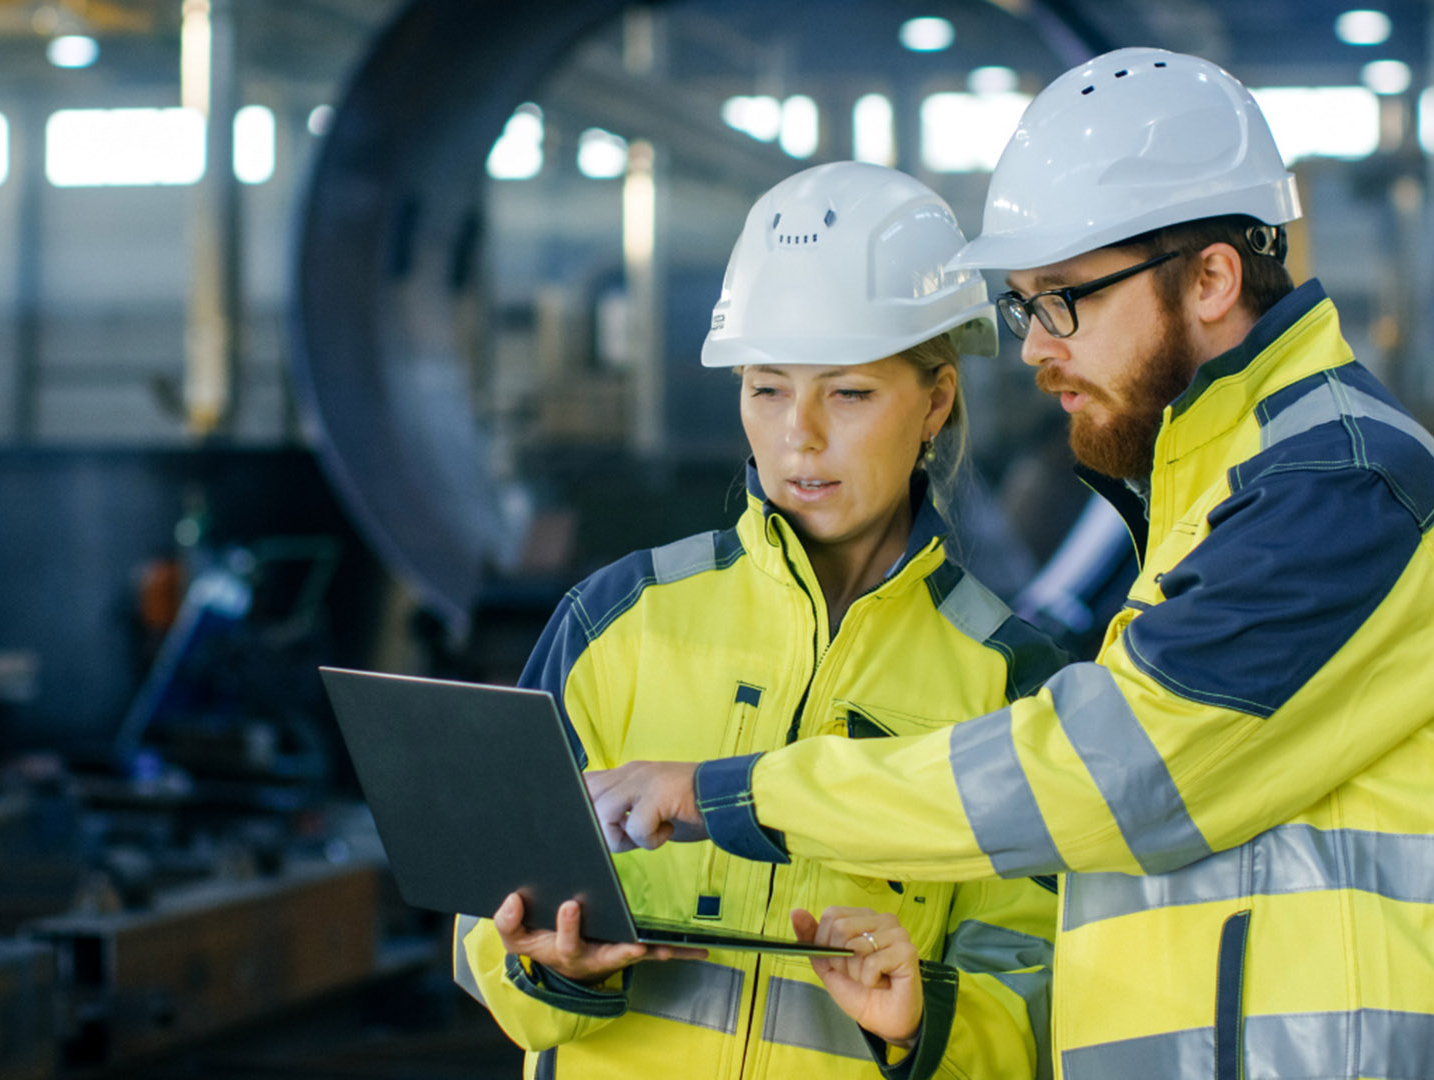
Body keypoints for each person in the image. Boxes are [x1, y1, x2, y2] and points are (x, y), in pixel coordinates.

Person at [584, 47, 1434, 1080]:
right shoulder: (1214, 492)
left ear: (1214, 277)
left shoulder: (1339, 488)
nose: (1037, 348)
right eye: (1027, 304)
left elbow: (1107, 774)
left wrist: (737, 793)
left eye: (1064, 298)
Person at [453, 161, 1066, 1079]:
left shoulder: (1008, 683)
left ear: (936, 400)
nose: (799, 436)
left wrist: (919, 1024)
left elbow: (1036, 991)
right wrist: (550, 966)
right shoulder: (620, 619)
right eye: (767, 387)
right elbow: (483, 922)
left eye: (848, 392)